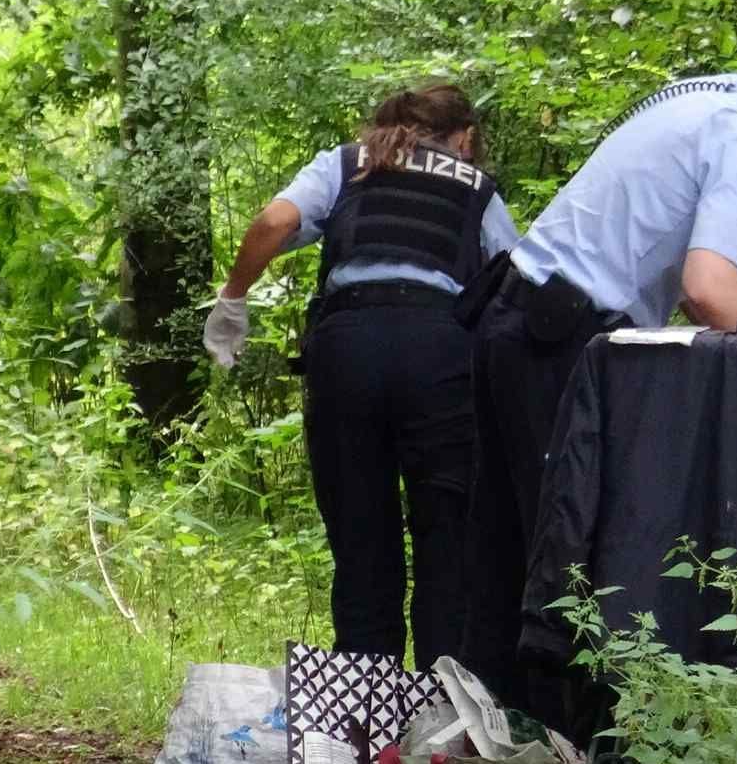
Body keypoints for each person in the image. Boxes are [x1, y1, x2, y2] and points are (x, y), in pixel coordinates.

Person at [459, 43, 737, 726]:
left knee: (501, 560)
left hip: (517, 315)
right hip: (555, 340)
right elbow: (710, 289)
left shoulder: (719, 96)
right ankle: (558, 760)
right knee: (563, 567)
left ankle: (481, 748)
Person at [200, 84, 520, 667]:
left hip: (348, 352)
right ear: (464, 138)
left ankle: (367, 724)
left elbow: (274, 221)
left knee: (361, 544)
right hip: (440, 355)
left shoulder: (347, 164)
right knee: (448, 547)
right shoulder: (479, 191)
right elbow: (513, 285)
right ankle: (439, 723)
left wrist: (233, 299)